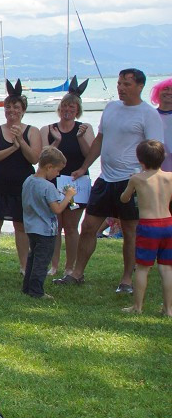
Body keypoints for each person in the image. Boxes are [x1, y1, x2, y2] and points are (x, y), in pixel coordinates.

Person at [58, 69, 163, 293]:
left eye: (126, 84)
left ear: (140, 86)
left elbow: (155, 149)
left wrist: (147, 177)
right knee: (88, 226)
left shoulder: (148, 114)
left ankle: (126, 280)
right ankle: (76, 273)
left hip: (132, 181)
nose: (121, 88)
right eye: (119, 83)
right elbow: (100, 139)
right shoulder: (111, 108)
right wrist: (84, 166)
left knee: (130, 231)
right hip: (105, 179)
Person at [0, 81, 41, 276]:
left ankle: (24, 266)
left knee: (21, 225)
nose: (12, 111)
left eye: (16, 107)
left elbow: (34, 158)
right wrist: (12, 148)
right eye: (8, 107)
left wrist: (21, 142)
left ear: (23, 110)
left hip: (22, 184)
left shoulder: (33, 131)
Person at [38, 92, 94, 279]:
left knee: (71, 227)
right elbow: (43, 157)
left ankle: (70, 266)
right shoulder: (48, 129)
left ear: (78, 110)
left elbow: (90, 155)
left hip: (76, 182)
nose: (67, 110)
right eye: (64, 106)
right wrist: (57, 141)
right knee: (55, 225)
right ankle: (54, 266)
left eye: (72, 107)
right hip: (53, 182)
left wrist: (80, 137)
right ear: (59, 108)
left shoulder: (85, 128)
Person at [120, 139, 172, 316]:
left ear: (140, 160)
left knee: (142, 267)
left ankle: (138, 307)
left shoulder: (137, 178)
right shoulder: (170, 176)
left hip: (149, 226)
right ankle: (168, 309)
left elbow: (124, 198)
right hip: (167, 223)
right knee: (166, 268)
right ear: (162, 158)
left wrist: (130, 186)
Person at [21, 146, 75, 299]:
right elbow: (57, 209)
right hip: (45, 229)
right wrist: (68, 197)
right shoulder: (47, 186)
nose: (58, 174)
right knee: (42, 260)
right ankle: (37, 291)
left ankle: (27, 287)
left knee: (32, 257)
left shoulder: (29, 180)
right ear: (49, 167)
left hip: (31, 226)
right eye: (57, 170)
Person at [148, 77, 172, 172]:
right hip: (155, 165)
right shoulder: (149, 115)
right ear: (157, 92)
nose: (169, 92)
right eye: (166, 89)